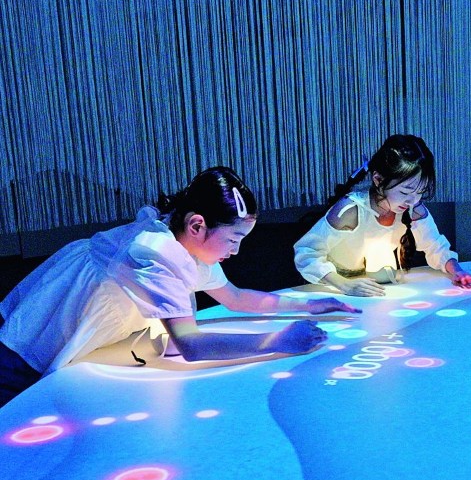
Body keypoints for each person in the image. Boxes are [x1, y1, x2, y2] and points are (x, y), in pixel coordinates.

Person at [0, 166, 358, 407]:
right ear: (197, 225)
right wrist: (278, 341)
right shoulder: (154, 252)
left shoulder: (186, 244)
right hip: (34, 339)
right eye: (233, 239)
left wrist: (309, 304)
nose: (236, 251)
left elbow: (235, 298)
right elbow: (191, 345)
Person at [294, 134, 471, 297]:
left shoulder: (414, 209)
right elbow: (306, 252)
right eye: (405, 192)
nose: (413, 200)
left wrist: (457, 271)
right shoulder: (351, 210)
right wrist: (345, 285)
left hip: (378, 288)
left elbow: (435, 246)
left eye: (420, 191)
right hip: (335, 290)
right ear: (378, 179)